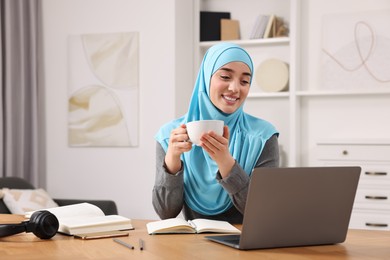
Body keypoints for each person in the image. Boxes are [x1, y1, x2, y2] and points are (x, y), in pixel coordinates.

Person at [153, 42, 279, 224]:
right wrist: (172, 161)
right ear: (206, 78)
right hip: (190, 246)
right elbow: (165, 213)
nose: (235, 88)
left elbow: (263, 212)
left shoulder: (263, 136)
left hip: (246, 245)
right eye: (226, 77)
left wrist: (226, 163)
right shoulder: (169, 136)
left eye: (244, 81)